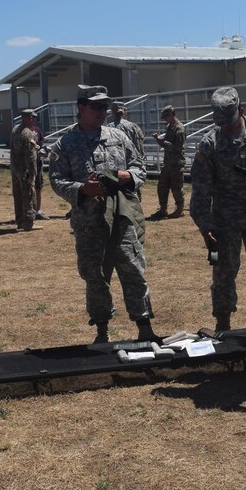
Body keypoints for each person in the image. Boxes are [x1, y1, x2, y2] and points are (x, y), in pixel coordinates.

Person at [49, 85, 156, 344]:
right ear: (81, 107)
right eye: (97, 106)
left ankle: (144, 327)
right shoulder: (65, 144)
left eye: (105, 106)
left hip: (122, 217)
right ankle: (102, 331)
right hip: (90, 223)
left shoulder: (119, 136)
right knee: (95, 276)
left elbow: (139, 166)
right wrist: (82, 189)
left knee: (133, 269)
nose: (102, 111)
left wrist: (128, 176)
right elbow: (56, 180)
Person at [190, 87, 246, 337]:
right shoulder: (210, 143)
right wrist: (205, 227)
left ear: (241, 111)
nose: (226, 129)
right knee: (223, 272)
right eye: (221, 124)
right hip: (224, 221)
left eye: (229, 123)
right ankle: (222, 325)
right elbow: (200, 191)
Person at [151, 105, 186, 218]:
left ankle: (179, 210)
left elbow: (178, 147)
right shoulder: (170, 127)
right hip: (168, 163)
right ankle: (163, 209)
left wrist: (163, 142)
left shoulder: (179, 128)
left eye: (166, 117)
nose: (165, 120)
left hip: (176, 163)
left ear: (171, 115)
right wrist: (158, 140)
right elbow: (167, 143)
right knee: (162, 186)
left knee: (176, 187)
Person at [9, 108, 39, 231]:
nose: (34, 120)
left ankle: (20, 221)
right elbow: (30, 156)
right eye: (33, 117)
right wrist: (32, 173)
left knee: (18, 195)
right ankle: (28, 222)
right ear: (29, 118)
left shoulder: (15, 129)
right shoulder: (28, 133)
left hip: (15, 168)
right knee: (28, 195)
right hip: (25, 170)